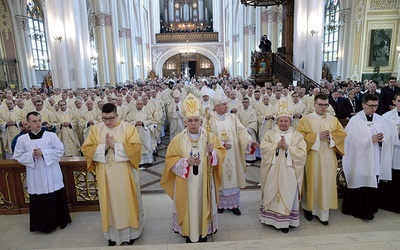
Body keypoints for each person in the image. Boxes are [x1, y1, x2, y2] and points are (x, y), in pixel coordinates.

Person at [160, 93, 226, 243]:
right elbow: (169, 160)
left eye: (196, 120)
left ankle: (204, 230)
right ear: (185, 122)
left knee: (203, 203)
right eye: (190, 121)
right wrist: (185, 162)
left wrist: (212, 153)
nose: (194, 124)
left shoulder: (209, 137)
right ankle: (188, 231)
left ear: (201, 121)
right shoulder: (178, 140)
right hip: (186, 182)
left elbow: (221, 154)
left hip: (205, 181)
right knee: (189, 204)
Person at [81, 103, 144, 246]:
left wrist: (115, 146)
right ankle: (112, 234)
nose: (108, 122)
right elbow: (86, 149)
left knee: (126, 201)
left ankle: (130, 234)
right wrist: (104, 147)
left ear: (117, 115)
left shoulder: (128, 128)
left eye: (110, 118)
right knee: (108, 203)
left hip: (125, 175)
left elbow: (136, 149)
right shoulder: (96, 129)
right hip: (105, 176)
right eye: (104, 119)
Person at [13, 111, 71, 232]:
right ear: (28, 123)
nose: (38, 123)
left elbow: (60, 150)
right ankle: (43, 225)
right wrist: (31, 155)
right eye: (34, 121)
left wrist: (44, 153)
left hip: (51, 171)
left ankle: (61, 221)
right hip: (36, 174)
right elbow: (17, 155)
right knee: (40, 198)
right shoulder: (22, 139)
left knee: (55, 195)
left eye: (39, 120)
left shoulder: (51, 136)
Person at [296, 93, 346, 225]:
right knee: (312, 181)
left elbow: (341, 133)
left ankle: (324, 211)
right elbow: (299, 137)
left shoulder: (333, 120)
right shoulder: (305, 120)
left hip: (328, 156)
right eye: (321, 105)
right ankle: (308, 208)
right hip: (312, 157)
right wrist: (317, 137)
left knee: (326, 182)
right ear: (314, 105)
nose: (323, 108)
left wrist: (331, 138)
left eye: (326, 105)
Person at [209, 88, 259, 216]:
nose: (227, 106)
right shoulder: (210, 120)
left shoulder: (232, 117)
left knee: (233, 178)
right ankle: (220, 204)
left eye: (226, 104)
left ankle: (234, 205)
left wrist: (249, 141)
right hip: (219, 156)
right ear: (216, 106)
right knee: (220, 179)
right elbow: (208, 137)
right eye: (224, 104)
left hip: (233, 154)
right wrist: (220, 145)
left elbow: (241, 131)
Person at [342, 94, 392, 220]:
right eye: (371, 106)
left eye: (376, 106)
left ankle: (370, 208)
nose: (373, 108)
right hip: (359, 159)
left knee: (372, 182)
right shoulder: (355, 120)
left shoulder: (380, 119)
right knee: (360, 183)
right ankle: (355, 209)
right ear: (364, 105)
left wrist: (382, 139)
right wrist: (370, 139)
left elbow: (388, 137)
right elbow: (349, 141)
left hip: (374, 156)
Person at [260, 111, 306, 233]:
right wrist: (276, 145)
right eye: (281, 121)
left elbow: (302, 153)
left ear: (290, 122)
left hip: (290, 171)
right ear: (277, 122)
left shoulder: (297, 136)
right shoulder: (270, 134)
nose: (283, 123)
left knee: (288, 193)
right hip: (272, 169)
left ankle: (287, 222)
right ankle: (269, 219)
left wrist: (288, 147)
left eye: (286, 121)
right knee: (271, 191)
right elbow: (263, 148)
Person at [379, 92, 400, 212]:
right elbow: (385, 136)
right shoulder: (387, 117)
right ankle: (390, 204)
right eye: (399, 101)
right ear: (394, 102)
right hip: (393, 153)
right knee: (394, 180)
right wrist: (397, 133)